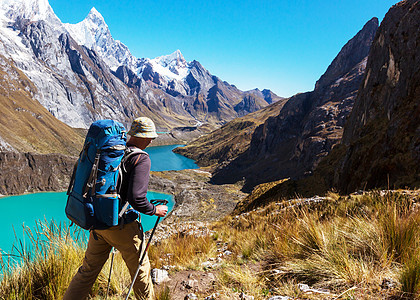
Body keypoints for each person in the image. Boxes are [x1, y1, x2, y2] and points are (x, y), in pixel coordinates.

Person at [63, 117, 168, 300]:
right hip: (122, 227)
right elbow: (137, 198)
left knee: (87, 271)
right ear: (143, 136)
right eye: (150, 136)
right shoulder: (140, 159)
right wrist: (154, 210)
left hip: (98, 223)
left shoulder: (114, 152)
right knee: (141, 271)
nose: (152, 140)